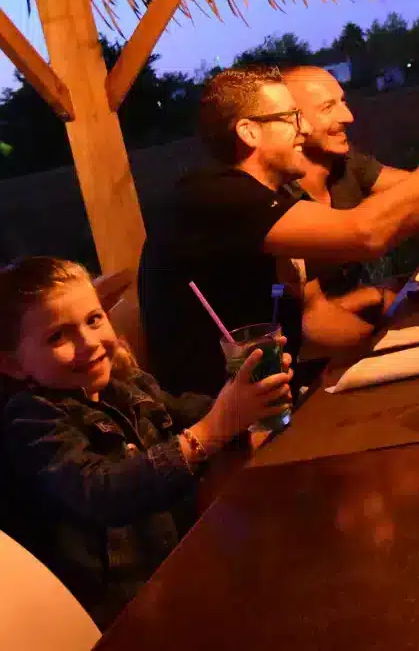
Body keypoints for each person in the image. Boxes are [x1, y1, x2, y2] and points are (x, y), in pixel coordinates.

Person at [139, 65, 419, 397]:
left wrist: (392, 347)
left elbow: (312, 314)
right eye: (292, 118)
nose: (304, 129)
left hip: (274, 389)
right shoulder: (215, 195)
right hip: (220, 417)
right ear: (249, 132)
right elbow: (365, 233)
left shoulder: (262, 201)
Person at [0, 256, 292, 628]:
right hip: (126, 613)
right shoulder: (31, 419)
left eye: (93, 319)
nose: (88, 343)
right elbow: (102, 490)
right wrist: (214, 428)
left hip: (185, 569)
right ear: (13, 365)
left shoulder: (123, 384)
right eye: (58, 336)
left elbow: (188, 409)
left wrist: (249, 394)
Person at [280, 65, 409, 341]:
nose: (348, 117)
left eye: (344, 102)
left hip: (345, 328)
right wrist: (387, 339)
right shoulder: (277, 199)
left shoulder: (346, 163)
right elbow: (308, 321)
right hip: (296, 363)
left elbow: (417, 188)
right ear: (292, 122)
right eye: (328, 107)